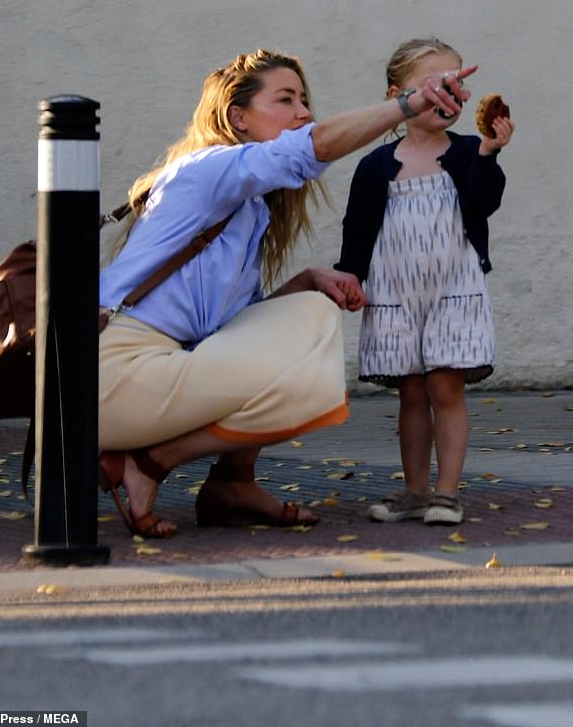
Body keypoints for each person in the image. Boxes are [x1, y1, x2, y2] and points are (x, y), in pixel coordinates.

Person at [98, 47, 473, 538]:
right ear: (239, 117)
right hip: (114, 373)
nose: (303, 112)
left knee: (310, 313)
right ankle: (148, 464)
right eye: (286, 100)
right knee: (305, 383)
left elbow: (234, 329)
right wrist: (408, 105)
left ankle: (233, 484)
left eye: (304, 100)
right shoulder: (211, 168)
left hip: (151, 370)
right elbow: (312, 147)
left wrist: (306, 283)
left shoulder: (246, 208)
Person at [336, 38, 515, 526]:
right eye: (433, 85)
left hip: (454, 289)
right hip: (396, 290)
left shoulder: (467, 152)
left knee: (444, 386)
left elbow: (483, 204)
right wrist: (349, 274)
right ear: (399, 95)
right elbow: (358, 227)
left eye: (456, 84)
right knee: (412, 391)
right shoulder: (375, 166)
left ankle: (446, 493)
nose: (448, 95)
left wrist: (488, 154)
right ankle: (414, 490)